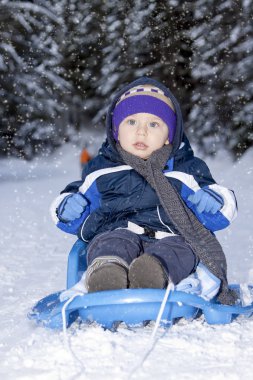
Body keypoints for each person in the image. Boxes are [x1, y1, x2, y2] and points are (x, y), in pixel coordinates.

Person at [51, 77, 238, 305]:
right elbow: (78, 204)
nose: (141, 132)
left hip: (173, 237)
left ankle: (154, 273)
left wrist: (215, 202)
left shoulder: (186, 168)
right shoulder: (101, 170)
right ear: (116, 131)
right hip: (118, 231)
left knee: (181, 250)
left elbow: (217, 210)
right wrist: (68, 209)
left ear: (169, 135)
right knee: (111, 243)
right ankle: (108, 273)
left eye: (153, 124)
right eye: (131, 122)